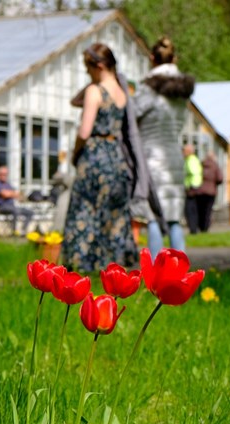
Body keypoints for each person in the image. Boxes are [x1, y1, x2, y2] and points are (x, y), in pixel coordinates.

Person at [61, 43, 138, 272]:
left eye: (88, 68)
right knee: (113, 214)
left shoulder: (95, 91)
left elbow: (84, 131)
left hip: (94, 157)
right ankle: (113, 266)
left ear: (100, 66)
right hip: (116, 157)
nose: (87, 73)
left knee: (85, 210)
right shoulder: (122, 92)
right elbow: (75, 101)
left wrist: (75, 153)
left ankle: (82, 265)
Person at [131, 36, 196, 258]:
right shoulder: (181, 93)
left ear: (152, 58)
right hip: (174, 157)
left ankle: (153, 271)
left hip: (151, 158)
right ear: (174, 59)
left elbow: (131, 116)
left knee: (153, 218)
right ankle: (181, 268)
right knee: (174, 218)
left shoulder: (148, 89)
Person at [0, 165, 34, 235]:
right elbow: (5, 194)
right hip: (2, 207)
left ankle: (23, 231)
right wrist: (12, 193)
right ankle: (14, 232)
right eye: (2, 174)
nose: (4, 176)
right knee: (15, 211)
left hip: (12, 206)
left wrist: (11, 194)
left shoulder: (8, 185)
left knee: (30, 212)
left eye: (5, 174)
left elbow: (18, 195)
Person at [194, 151, 223, 232]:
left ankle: (200, 226)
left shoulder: (201, 164)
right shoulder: (215, 166)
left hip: (200, 191)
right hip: (210, 191)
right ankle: (205, 228)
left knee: (200, 210)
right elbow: (220, 178)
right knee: (208, 211)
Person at [183, 144, 204, 233]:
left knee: (190, 209)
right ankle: (194, 228)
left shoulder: (190, 160)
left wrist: (190, 185)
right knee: (195, 209)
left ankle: (193, 228)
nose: (183, 153)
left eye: (184, 151)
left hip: (192, 187)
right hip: (196, 186)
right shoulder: (195, 159)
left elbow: (193, 172)